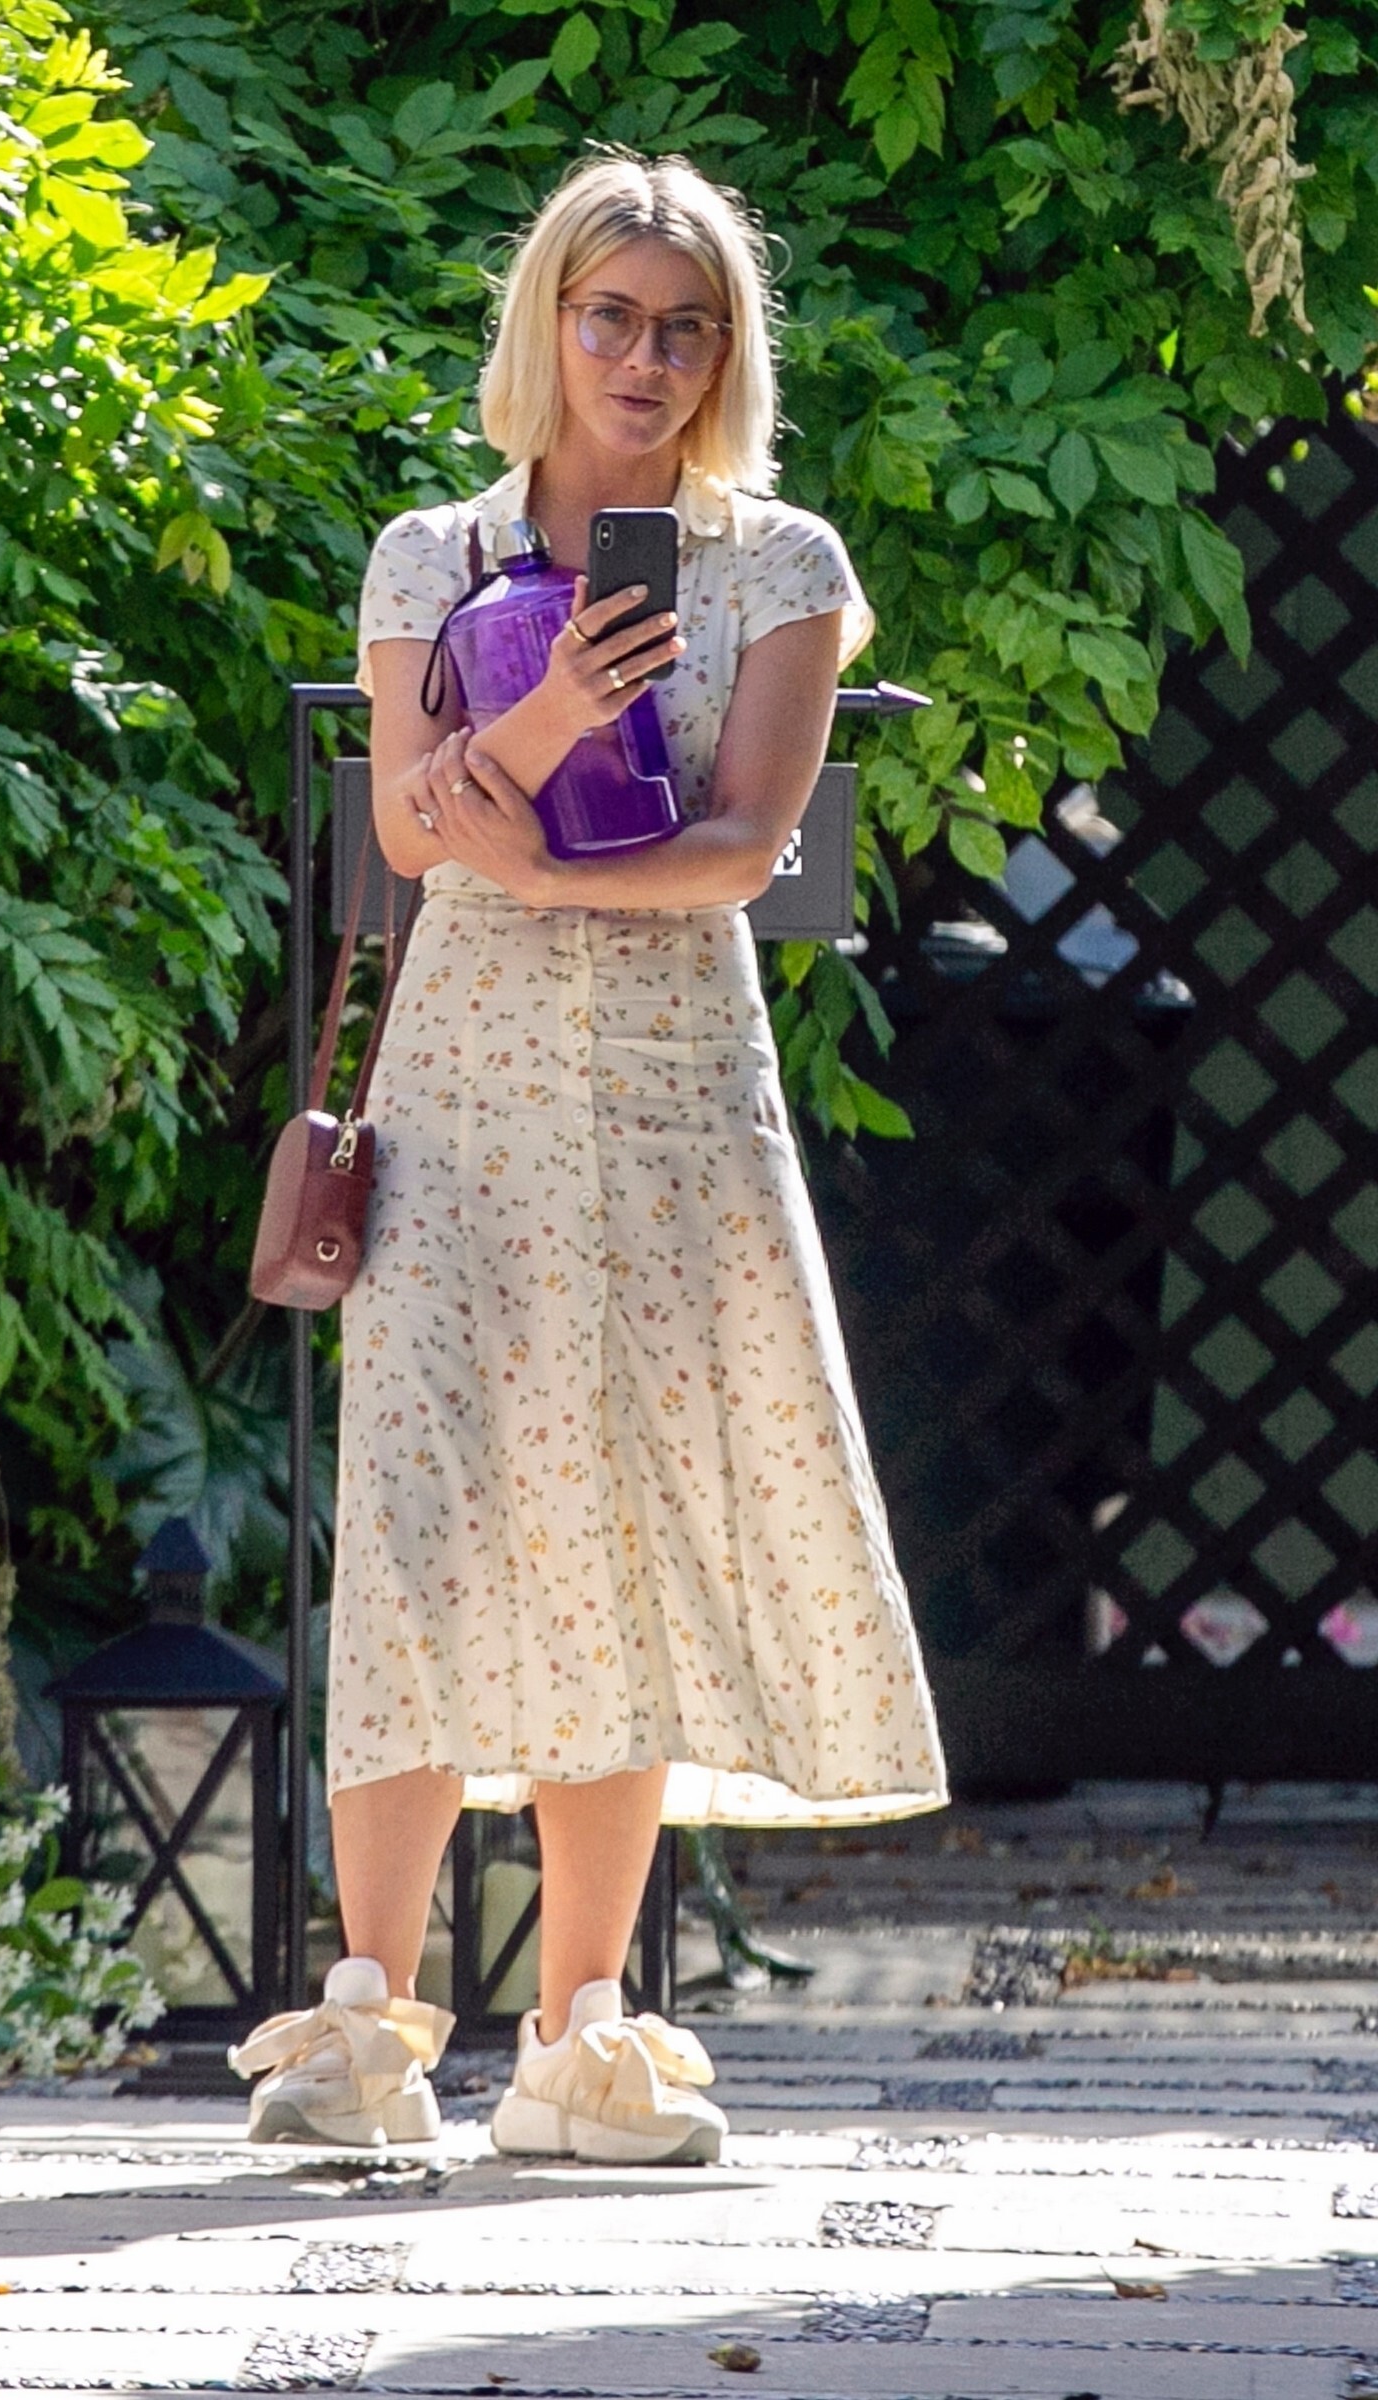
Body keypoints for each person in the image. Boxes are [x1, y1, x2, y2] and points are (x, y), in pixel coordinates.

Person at [232, 150, 946, 2167]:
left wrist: (542, 860)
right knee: (422, 1513)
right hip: (459, 1093)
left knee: (615, 1525)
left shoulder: (779, 562)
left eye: (684, 326)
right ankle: (363, 2031)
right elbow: (412, 828)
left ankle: (580, 2037)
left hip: (665, 1092)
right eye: (610, 314)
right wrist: (546, 715)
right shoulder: (428, 555)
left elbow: (744, 848)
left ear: (725, 354)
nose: (643, 356)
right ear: (547, 323)